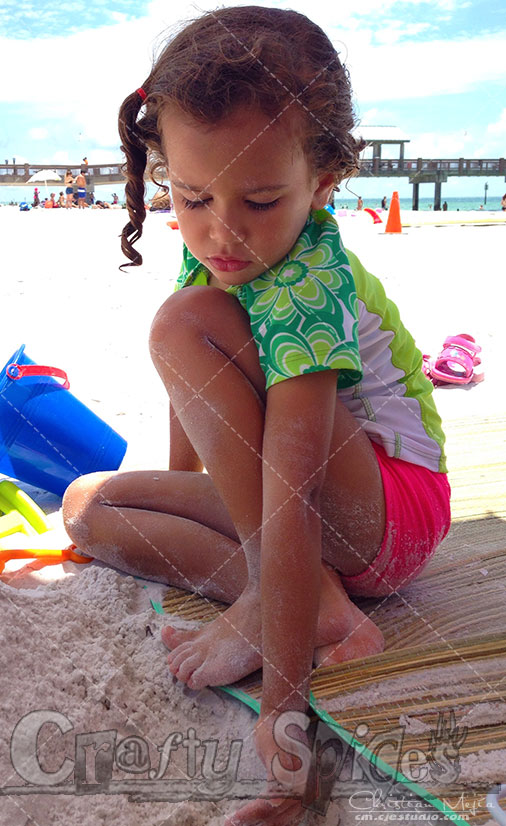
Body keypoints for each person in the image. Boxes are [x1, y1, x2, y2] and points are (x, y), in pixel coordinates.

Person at [62, 7, 451, 823]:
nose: (223, 230)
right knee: (88, 509)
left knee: (179, 322)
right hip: (311, 499)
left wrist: (283, 719)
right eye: (194, 196)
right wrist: (172, 495)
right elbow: (196, 404)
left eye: (263, 199)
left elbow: (295, 486)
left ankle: (294, 602)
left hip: (390, 506)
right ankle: (321, 606)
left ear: (325, 181)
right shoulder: (215, 244)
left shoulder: (311, 281)